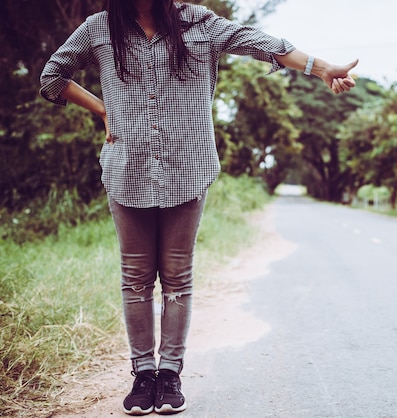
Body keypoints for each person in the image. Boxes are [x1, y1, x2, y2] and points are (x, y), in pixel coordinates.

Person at [40, 0, 357, 415]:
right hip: (127, 168)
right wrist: (105, 111)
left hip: (187, 168)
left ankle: (170, 373)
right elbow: (51, 77)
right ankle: (143, 375)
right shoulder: (100, 29)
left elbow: (264, 44)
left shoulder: (200, 23)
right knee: (135, 275)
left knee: (176, 274)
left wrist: (320, 67)